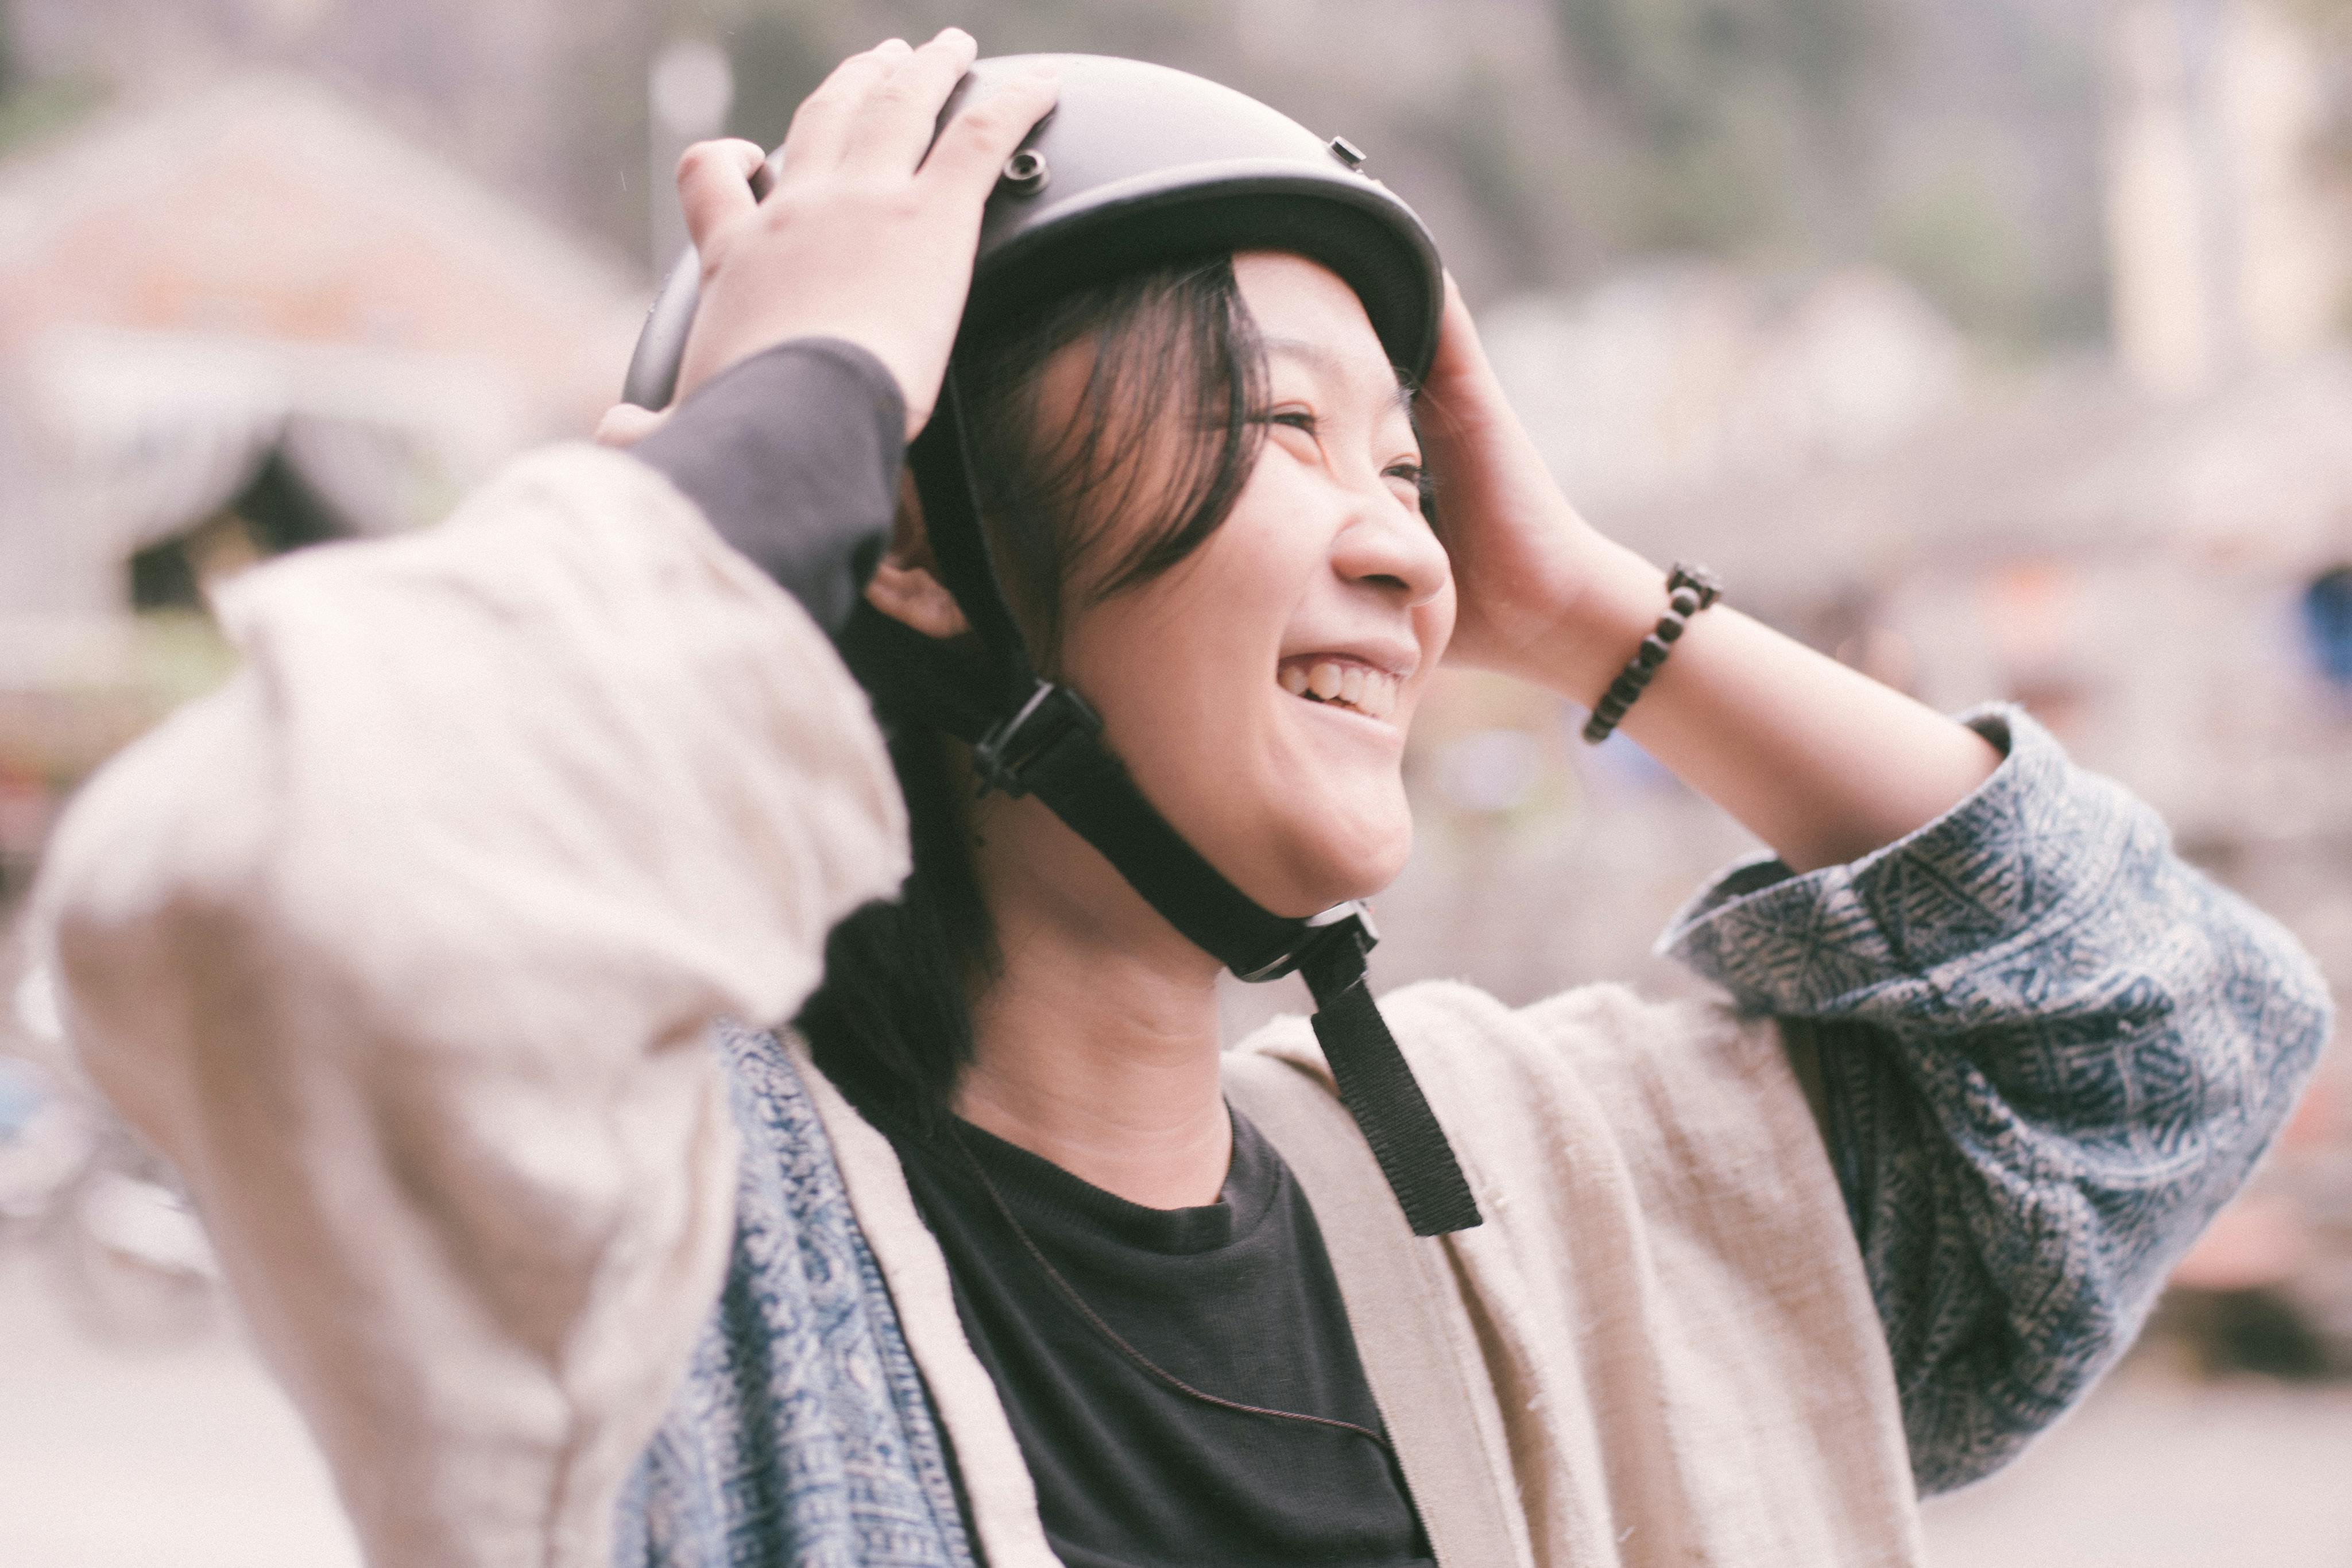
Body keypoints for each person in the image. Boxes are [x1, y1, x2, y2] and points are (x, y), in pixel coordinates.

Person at [33, 29, 2334, 1568]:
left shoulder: (1549, 1194)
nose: (1403, 542)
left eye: (1411, 467)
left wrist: (1592, 608)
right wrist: (803, 403)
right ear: (902, 544)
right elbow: (254, 901)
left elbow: (2162, 1044)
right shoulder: (676, 1249)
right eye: (1272, 433)